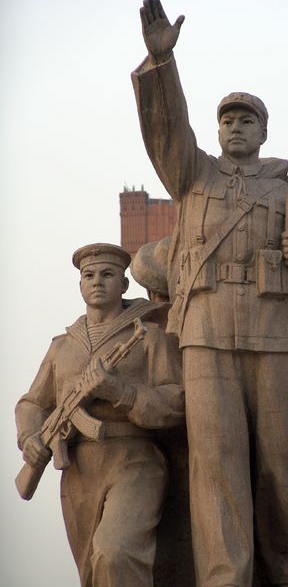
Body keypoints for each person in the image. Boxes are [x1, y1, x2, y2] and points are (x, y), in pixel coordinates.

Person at [132, 0, 288, 587]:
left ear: (263, 132)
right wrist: (162, 66)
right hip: (204, 333)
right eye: (226, 119)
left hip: (275, 332)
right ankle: (225, 580)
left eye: (245, 120)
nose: (234, 127)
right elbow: (166, 131)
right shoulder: (192, 175)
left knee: (284, 467)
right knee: (216, 467)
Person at [15, 243, 184, 587]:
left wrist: (121, 393)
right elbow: (32, 403)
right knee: (92, 571)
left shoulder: (148, 335)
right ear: (79, 285)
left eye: (108, 275)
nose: (97, 282)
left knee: (116, 552)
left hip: (135, 460)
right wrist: (30, 437)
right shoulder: (61, 346)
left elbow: (176, 400)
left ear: (123, 285)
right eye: (88, 276)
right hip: (78, 470)